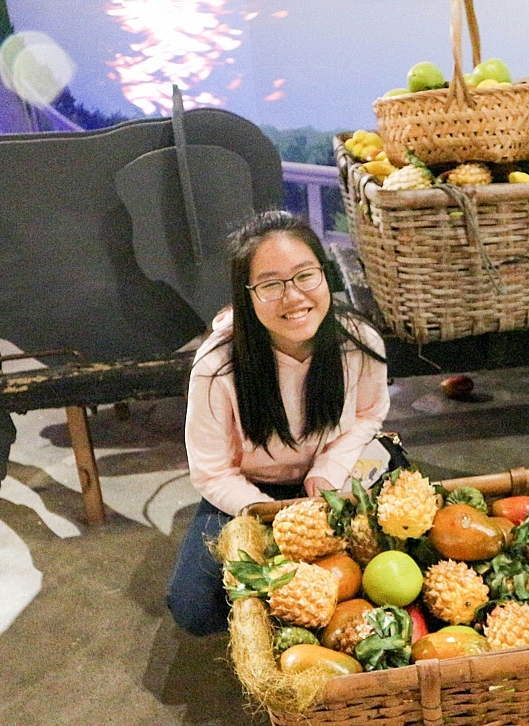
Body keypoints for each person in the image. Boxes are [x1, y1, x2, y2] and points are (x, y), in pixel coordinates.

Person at [167, 210, 397, 636]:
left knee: (391, 569)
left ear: (325, 276)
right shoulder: (217, 365)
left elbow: (368, 415)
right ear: (247, 295)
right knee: (195, 609)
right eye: (271, 284)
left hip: (335, 475)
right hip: (251, 492)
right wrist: (274, 520)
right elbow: (213, 472)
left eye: (305, 276)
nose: (293, 298)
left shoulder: (358, 342)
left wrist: (328, 469)